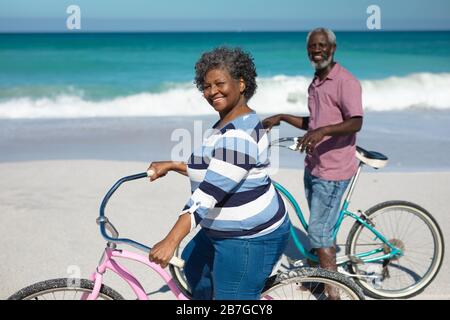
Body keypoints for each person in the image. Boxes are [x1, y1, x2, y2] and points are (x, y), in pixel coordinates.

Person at [147, 47, 291, 300]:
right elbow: (216, 169)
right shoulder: (228, 122)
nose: (212, 91)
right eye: (206, 86)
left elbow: (208, 194)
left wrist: (170, 240)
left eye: (219, 83)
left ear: (242, 83)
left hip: (248, 238)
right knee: (193, 266)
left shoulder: (240, 135)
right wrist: (172, 164)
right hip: (218, 230)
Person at [262, 28, 363, 286]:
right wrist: (283, 117)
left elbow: (355, 122)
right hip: (314, 166)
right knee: (320, 227)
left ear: (333, 48)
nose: (317, 50)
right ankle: (318, 271)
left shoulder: (345, 82)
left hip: (334, 169)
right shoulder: (316, 82)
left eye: (322, 45)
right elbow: (315, 121)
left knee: (318, 232)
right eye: (312, 46)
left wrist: (323, 131)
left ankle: (335, 291)